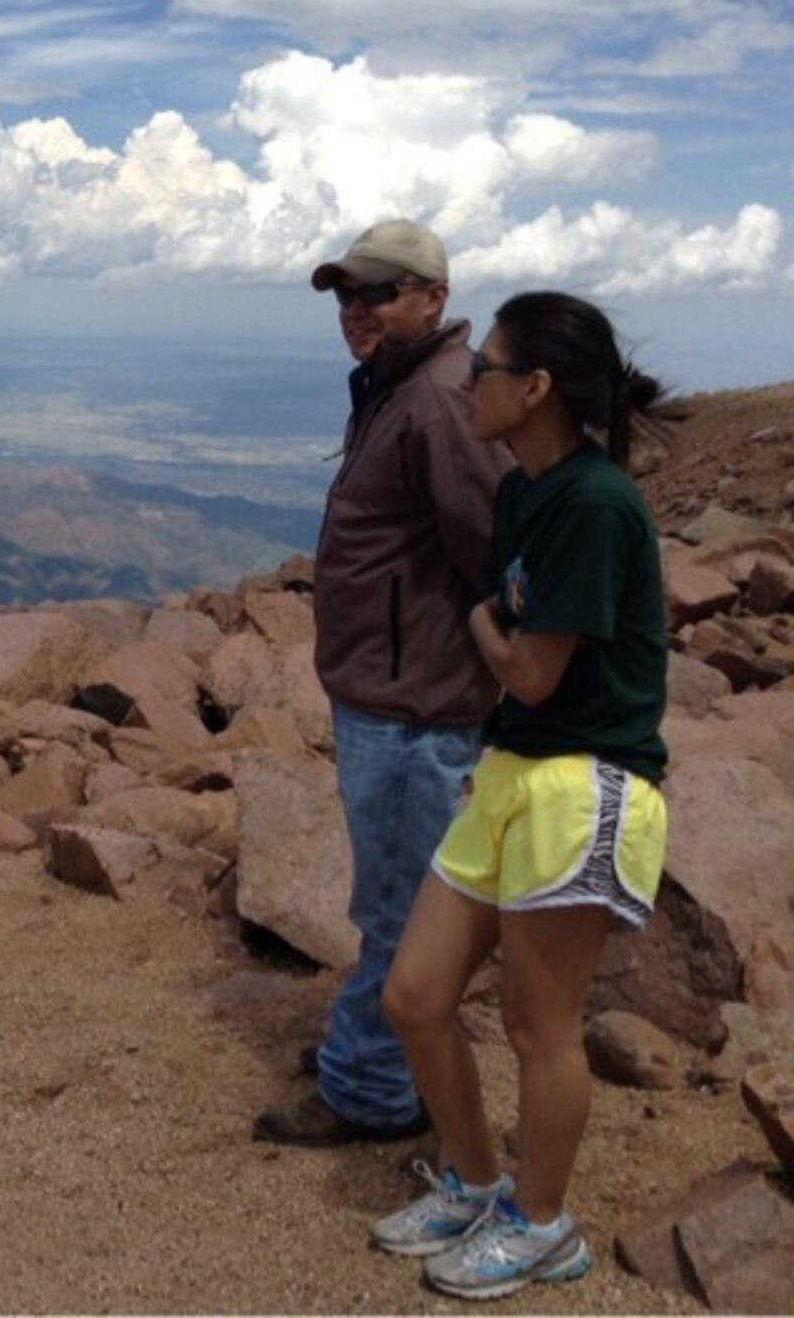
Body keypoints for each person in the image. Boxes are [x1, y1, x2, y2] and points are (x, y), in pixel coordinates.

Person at [368, 292, 673, 1299]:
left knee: (539, 1026)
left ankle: (542, 1223)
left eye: (485, 366)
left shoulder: (592, 502)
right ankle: (470, 1179)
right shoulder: (522, 493)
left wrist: (475, 625)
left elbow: (531, 667)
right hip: (509, 773)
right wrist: (494, 634)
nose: (467, 382)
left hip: (579, 782)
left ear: (534, 387)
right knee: (414, 995)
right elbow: (519, 645)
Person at [255, 220, 510, 1146]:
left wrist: (481, 659)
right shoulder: (403, 386)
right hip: (389, 691)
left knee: (401, 904)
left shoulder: (441, 399)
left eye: (379, 292)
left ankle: (369, 1088)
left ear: (433, 297)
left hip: (414, 703)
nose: (356, 310)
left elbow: (496, 545)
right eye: (345, 295)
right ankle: (373, 1045)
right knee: (392, 893)